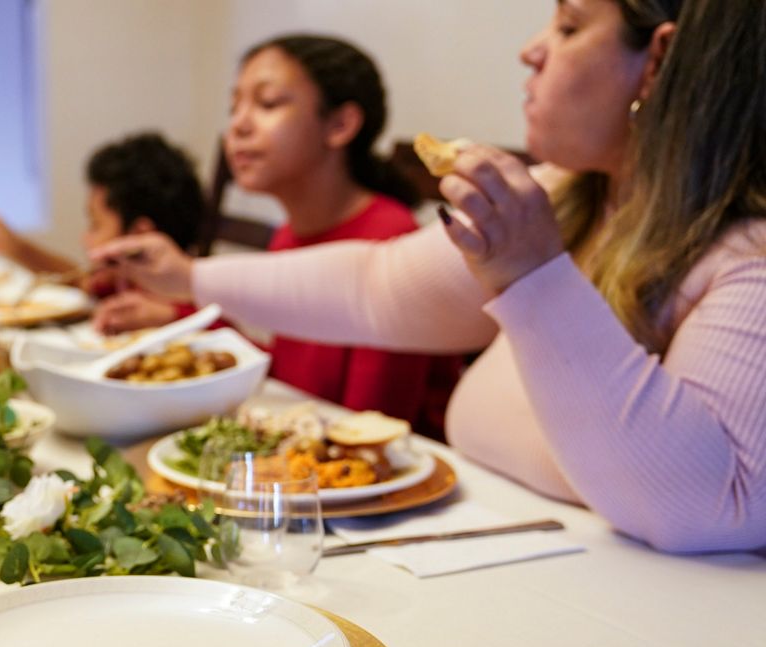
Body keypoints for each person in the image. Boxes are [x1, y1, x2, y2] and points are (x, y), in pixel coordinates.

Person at [92, 0, 766, 554]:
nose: (531, 50)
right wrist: (191, 279)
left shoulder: (746, 257)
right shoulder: (571, 197)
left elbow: (709, 506)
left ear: (655, 65)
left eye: (566, 25)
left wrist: (532, 277)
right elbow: (374, 286)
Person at [218, 34, 460, 438]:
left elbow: (369, 425)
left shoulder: (389, 241)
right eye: (234, 107)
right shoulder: (288, 235)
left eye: (268, 103)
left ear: (340, 124)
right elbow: (300, 384)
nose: (238, 126)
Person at [0, 131, 205, 332]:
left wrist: (170, 317)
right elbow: (79, 280)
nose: (86, 238)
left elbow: (232, 325)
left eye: (95, 225)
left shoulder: (201, 297)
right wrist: (15, 247)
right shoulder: (122, 282)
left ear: (139, 237)